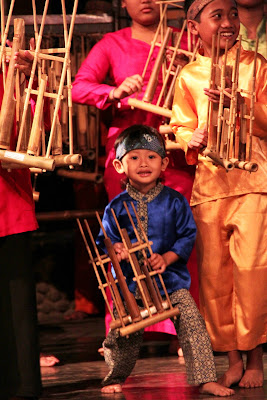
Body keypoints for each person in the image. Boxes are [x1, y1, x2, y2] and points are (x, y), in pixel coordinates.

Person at [71, 0, 198, 343]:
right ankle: (125, 328)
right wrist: (115, 93)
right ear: (123, 2)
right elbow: (79, 87)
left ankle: (184, 331)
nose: (144, 0)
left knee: (180, 236)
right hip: (128, 155)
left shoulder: (186, 41)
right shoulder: (112, 44)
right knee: (126, 239)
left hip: (174, 152)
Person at [96, 124, 234, 397]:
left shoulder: (175, 202)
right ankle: (115, 377)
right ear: (119, 166)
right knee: (123, 333)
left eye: (151, 157)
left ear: (165, 162)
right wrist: (118, 249)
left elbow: (186, 235)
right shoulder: (116, 206)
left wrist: (168, 258)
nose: (143, 163)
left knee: (193, 323)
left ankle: (205, 378)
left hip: (170, 281)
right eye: (134, 157)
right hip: (132, 286)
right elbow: (106, 240)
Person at [170, 0, 267, 390]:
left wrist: (242, 104)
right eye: (217, 16)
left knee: (252, 272)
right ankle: (231, 357)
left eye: (231, 14)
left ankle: (256, 356)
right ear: (195, 27)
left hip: (253, 181)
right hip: (210, 187)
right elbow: (180, 125)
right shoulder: (189, 75)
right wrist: (188, 137)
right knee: (215, 278)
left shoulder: (256, 65)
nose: (227, 23)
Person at [0, 41, 41, 400]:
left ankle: (20, 385)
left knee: (13, 297)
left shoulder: (8, 54)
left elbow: (38, 123)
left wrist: (27, 73)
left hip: (6, 191)